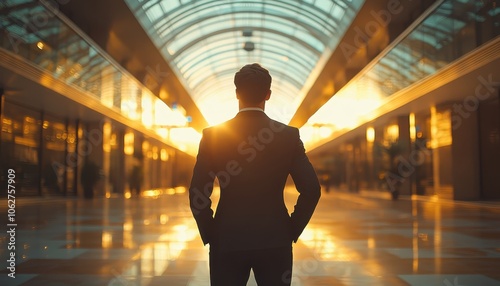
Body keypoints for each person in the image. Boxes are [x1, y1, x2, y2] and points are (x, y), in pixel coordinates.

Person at [189, 63, 321, 286]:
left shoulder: (213, 136)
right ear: (268, 95)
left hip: (227, 239)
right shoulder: (288, 136)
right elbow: (311, 189)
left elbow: (197, 191)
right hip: (275, 239)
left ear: (237, 93)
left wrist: (211, 231)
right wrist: (290, 229)